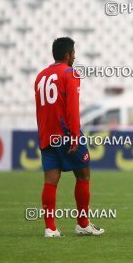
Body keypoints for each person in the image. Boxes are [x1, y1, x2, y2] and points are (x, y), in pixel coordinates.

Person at [35, 37, 104, 237]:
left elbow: (40, 108)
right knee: (83, 174)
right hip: (66, 133)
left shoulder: (40, 76)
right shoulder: (70, 73)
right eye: (74, 53)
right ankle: (82, 224)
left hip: (47, 134)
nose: (75, 57)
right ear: (67, 55)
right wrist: (75, 135)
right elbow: (72, 108)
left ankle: (50, 228)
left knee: (50, 180)